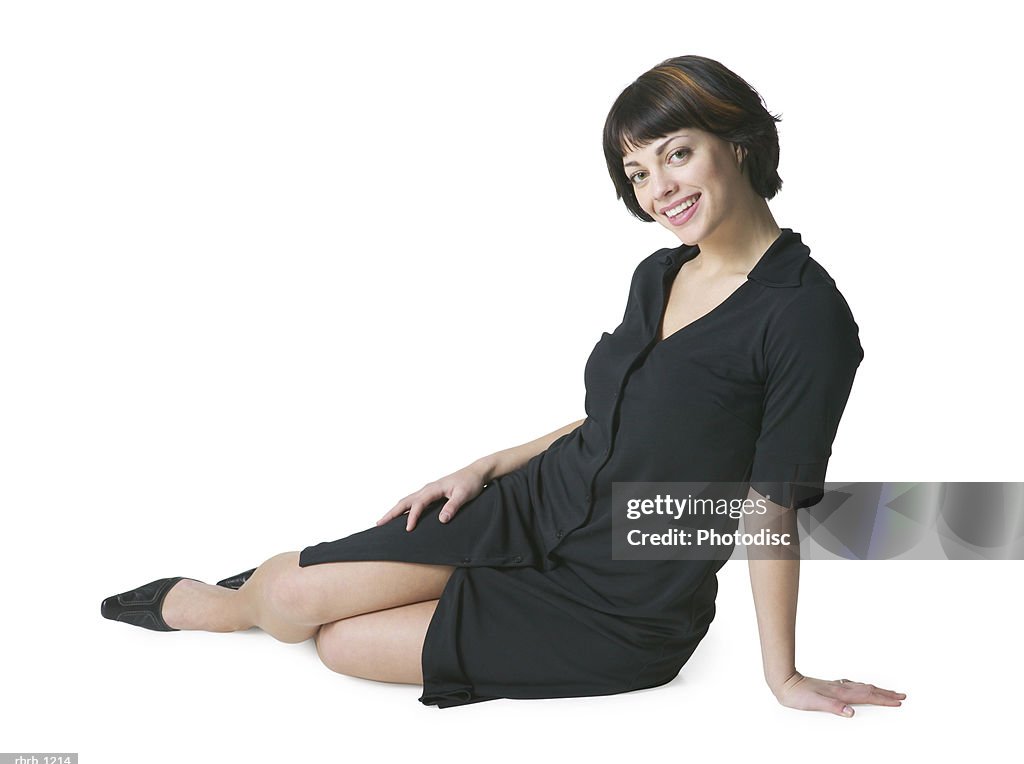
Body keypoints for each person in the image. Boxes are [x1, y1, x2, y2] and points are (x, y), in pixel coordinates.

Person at [101, 54, 906, 717]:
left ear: (736, 140)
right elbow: (614, 417)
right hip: (538, 503)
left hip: (621, 596)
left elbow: (772, 504)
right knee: (289, 595)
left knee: (340, 645)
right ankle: (232, 604)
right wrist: (488, 466)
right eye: (636, 170)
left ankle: (283, 597)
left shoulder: (806, 318)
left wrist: (784, 675)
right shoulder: (660, 272)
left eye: (675, 152)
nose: (658, 188)